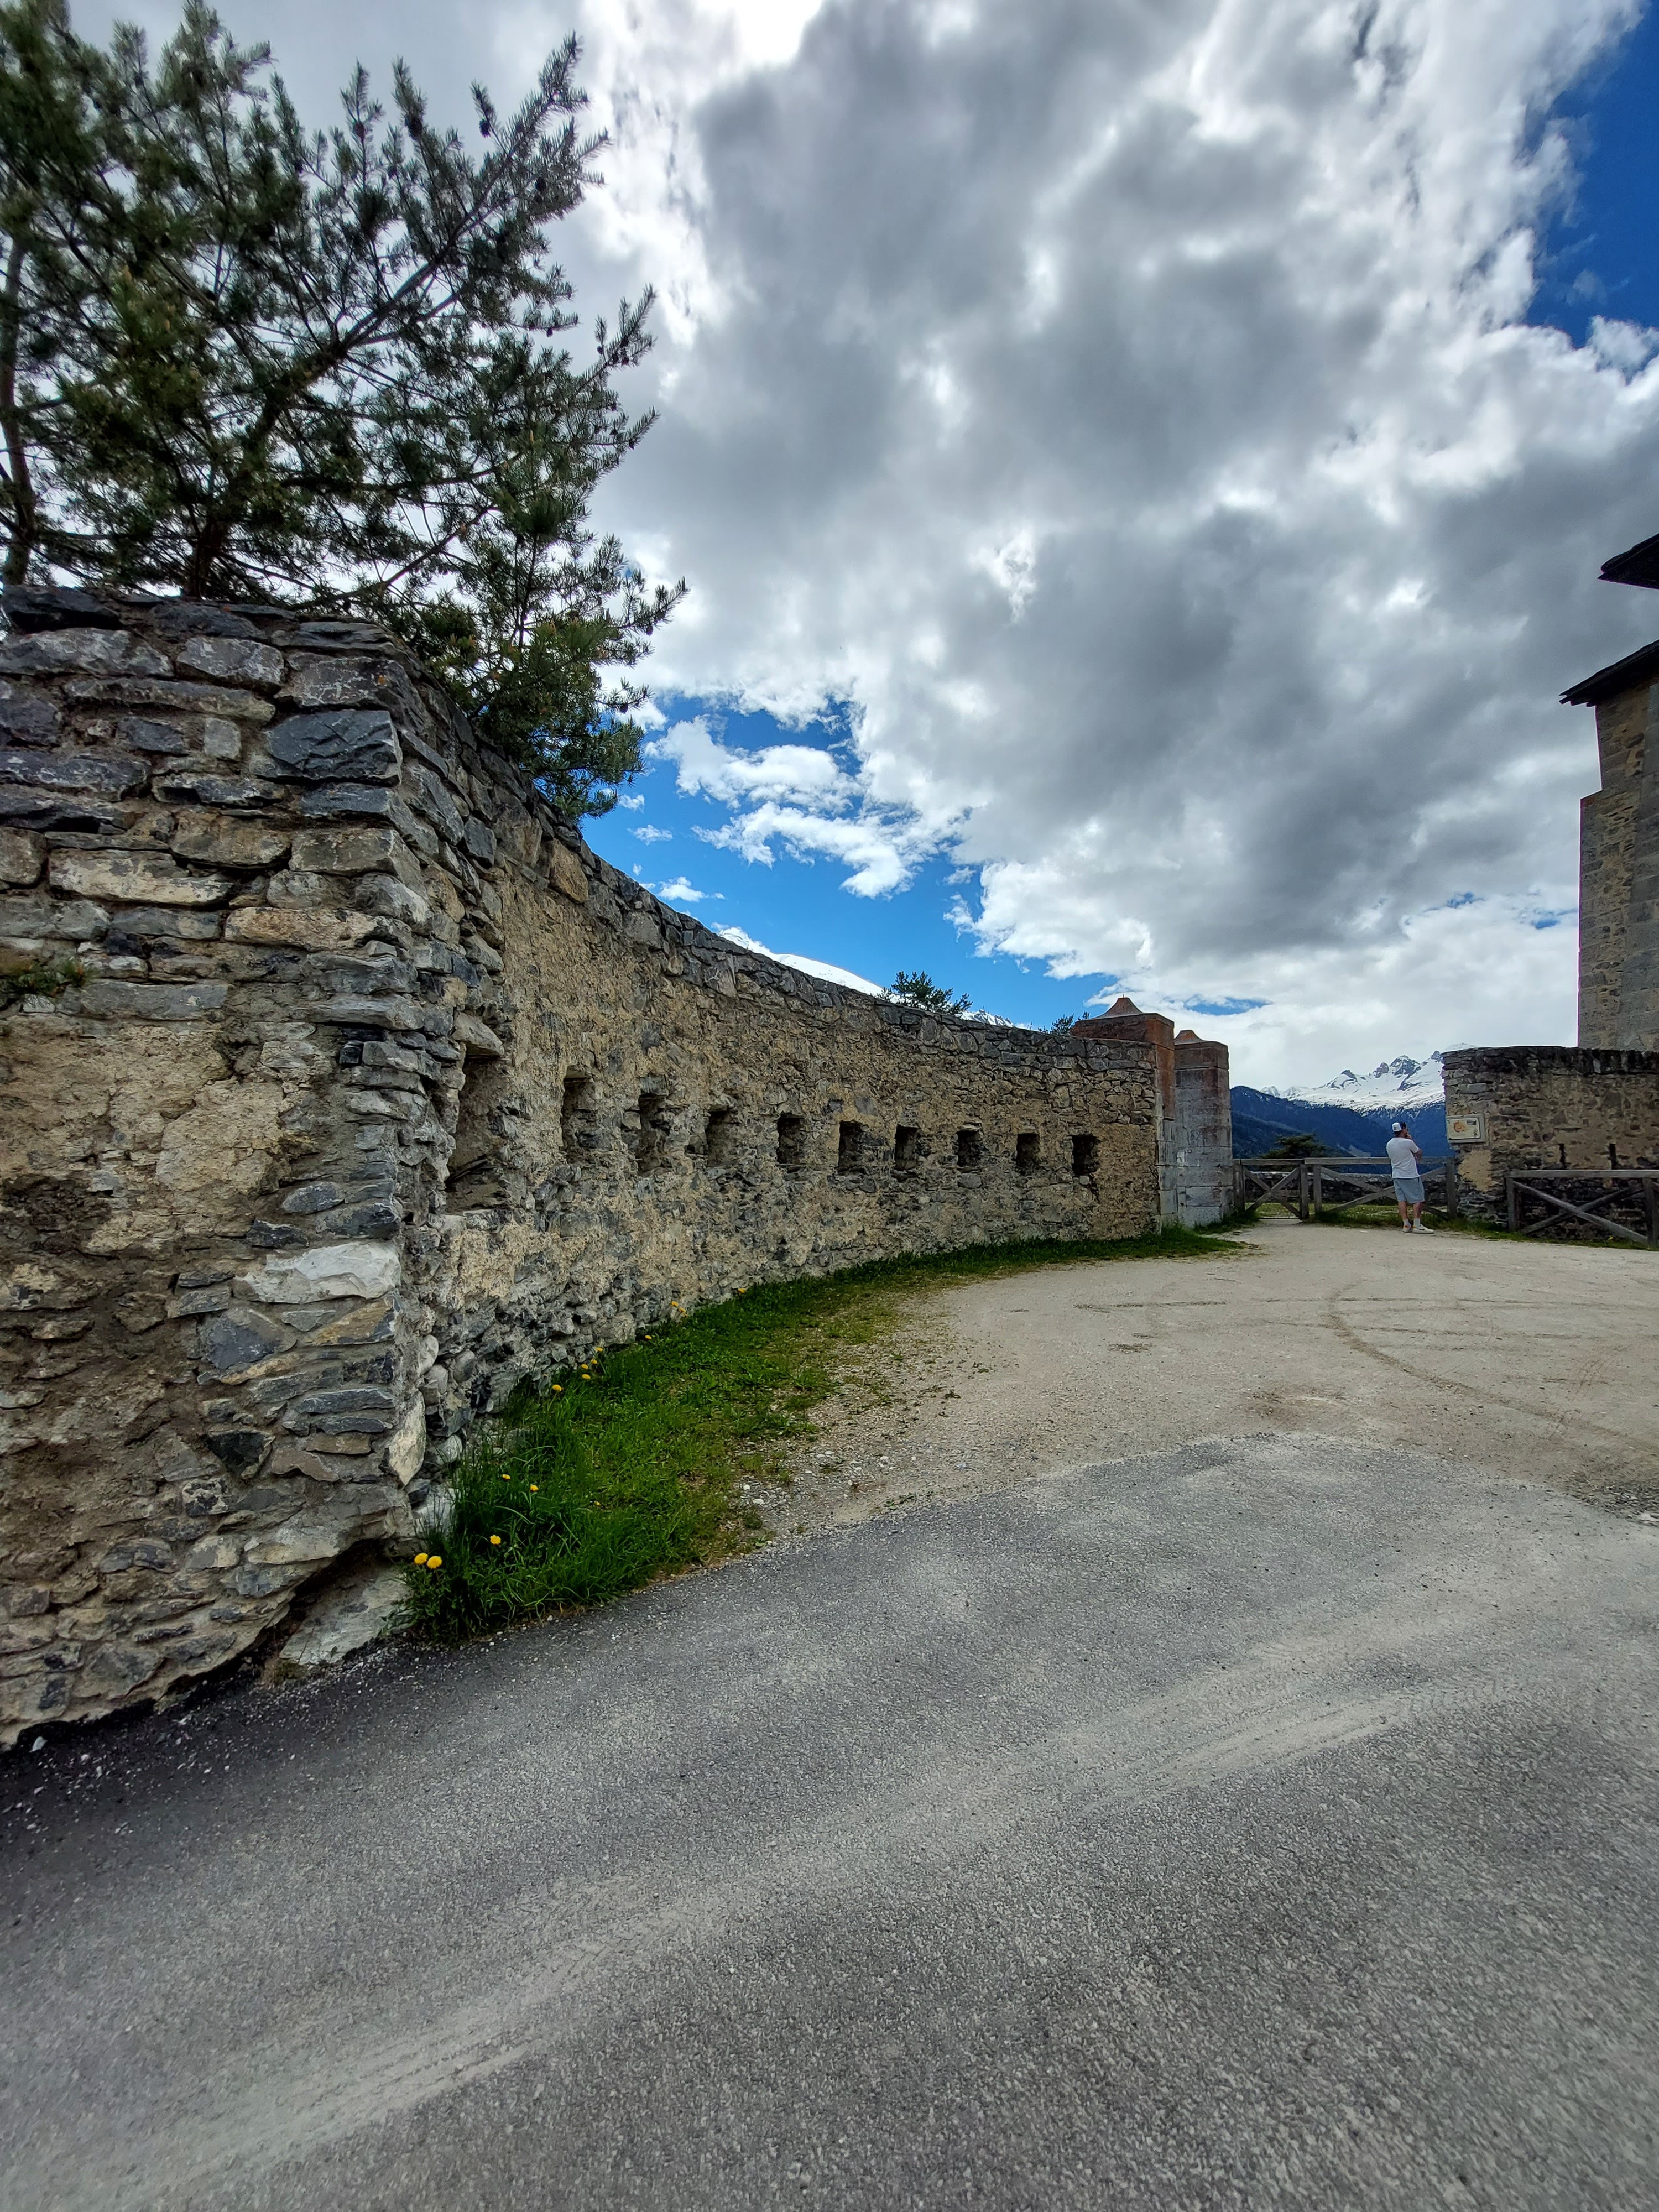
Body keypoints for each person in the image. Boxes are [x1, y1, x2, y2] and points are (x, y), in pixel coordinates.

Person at [1386, 1119, 1432, 1233]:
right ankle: (1417, 1225)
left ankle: (1406, 1225)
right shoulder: (1408, 1143)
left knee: (1401, 1200)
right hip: (1410, 1175)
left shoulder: (1389, 1144)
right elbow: (1419, 1153)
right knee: (1418, 1199)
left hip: (1397, 1175)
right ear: (1404, 1130)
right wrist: (1411, 1140)